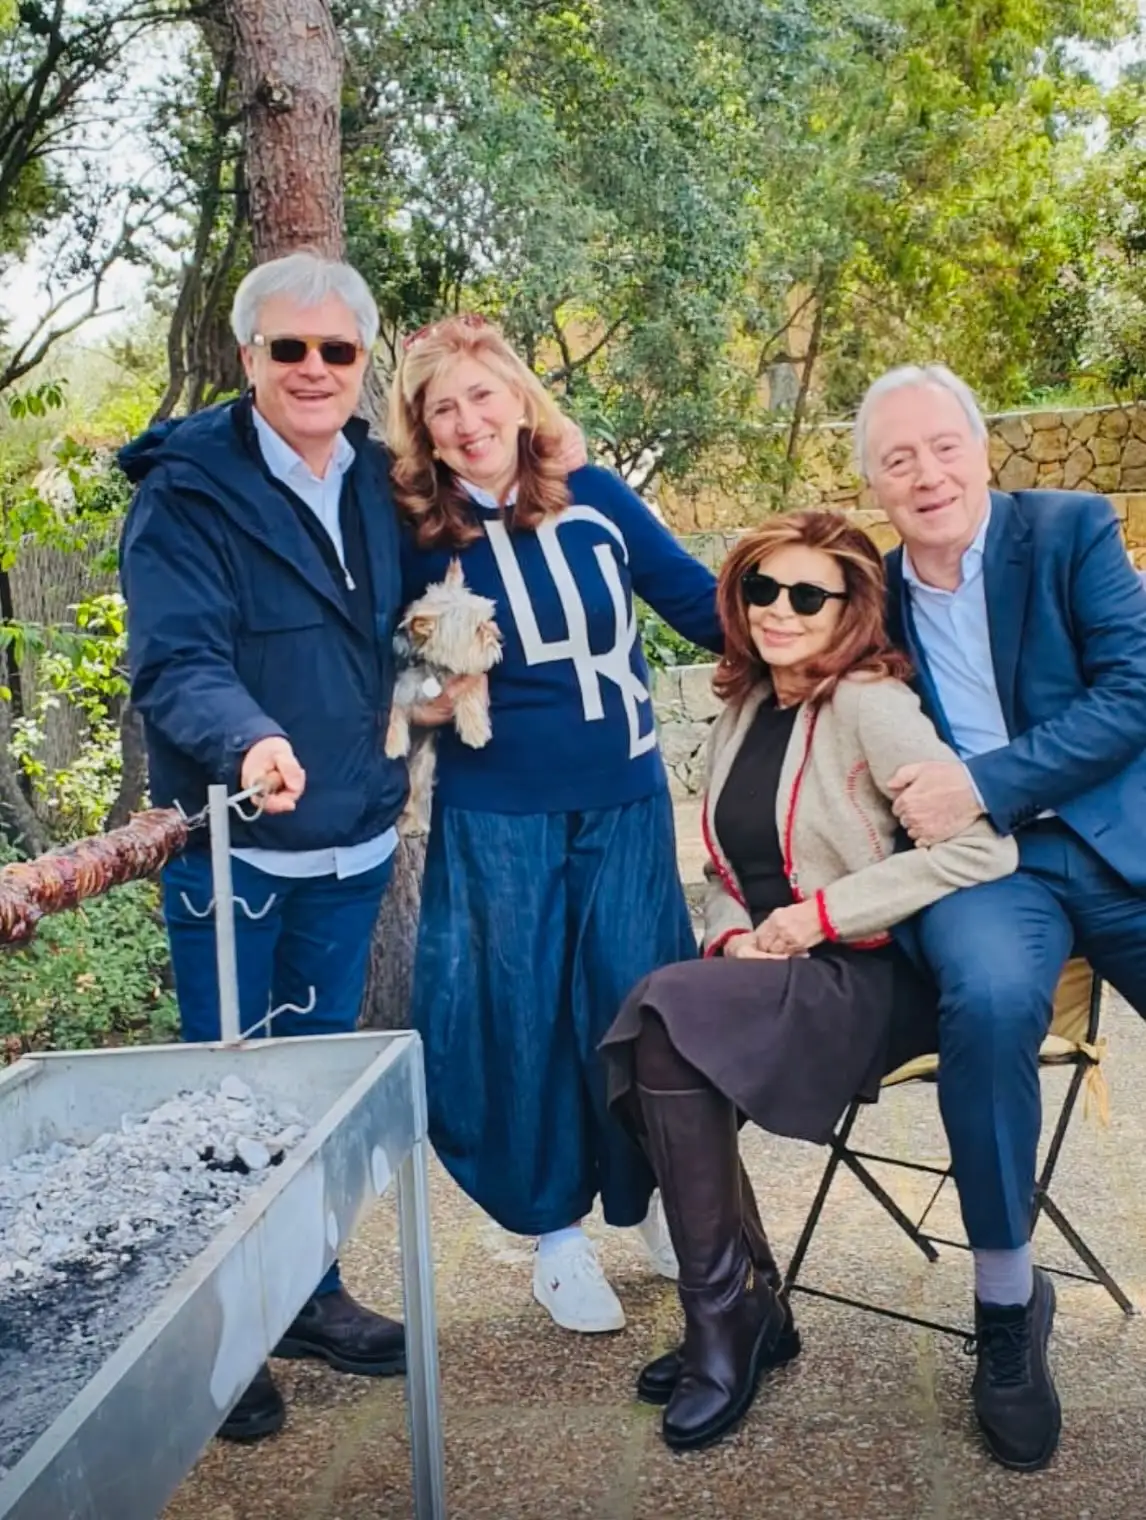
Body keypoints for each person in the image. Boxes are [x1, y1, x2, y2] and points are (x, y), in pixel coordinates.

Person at [598, 509, 1017, 1452]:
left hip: (869, 977)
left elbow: (982, 850)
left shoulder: (872, 704)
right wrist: (734, 935)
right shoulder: (746, 706)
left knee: (658, 1017)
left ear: (849, 610)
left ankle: (732, 1318)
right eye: (760, 588)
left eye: (806, 595)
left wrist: (820, 917)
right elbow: (725, 870)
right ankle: (740, 1310)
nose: (778, 610)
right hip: (777, 969)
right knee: (651, 1029)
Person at [118, 252, 411, 1444]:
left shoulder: (385, 481)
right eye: (289, 347)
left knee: (315, 1092)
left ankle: (306, 1292)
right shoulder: (184, 492)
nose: (313, 368)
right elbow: (176, 660)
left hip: (352, 848)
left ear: (363, 362)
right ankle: (226, 1329)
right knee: (227, 1098)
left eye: (337, 349)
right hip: (234, 859)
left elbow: (416, 624)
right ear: (248, 358)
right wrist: (250, 740)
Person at [387, 313, 724, 1334]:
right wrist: (429, 698)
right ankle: (556, 1237)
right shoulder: (415, 534)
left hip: (623, 799)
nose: (469, 420)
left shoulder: (600, 499)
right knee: (521, 1017)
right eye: (444, 408)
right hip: (498, 813)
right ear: (424, 431)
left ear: (521, 399)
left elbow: (704, 605)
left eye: (483, 395)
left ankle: (657, 1193)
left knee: (640, 1005)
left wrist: (825, 623)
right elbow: (386, 675)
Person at [855, 363, 1146, 1472]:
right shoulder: (869, 594)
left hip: (1114, 837)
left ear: (982, 451)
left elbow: (1135, 690)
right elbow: (756, 623)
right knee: (983, 1003)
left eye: (944, 446)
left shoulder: (1070, 530)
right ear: (875, 483)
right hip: (984, 872)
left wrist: (985, 781)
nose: (927, 473)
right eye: (899, 459)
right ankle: (1008, 1308)